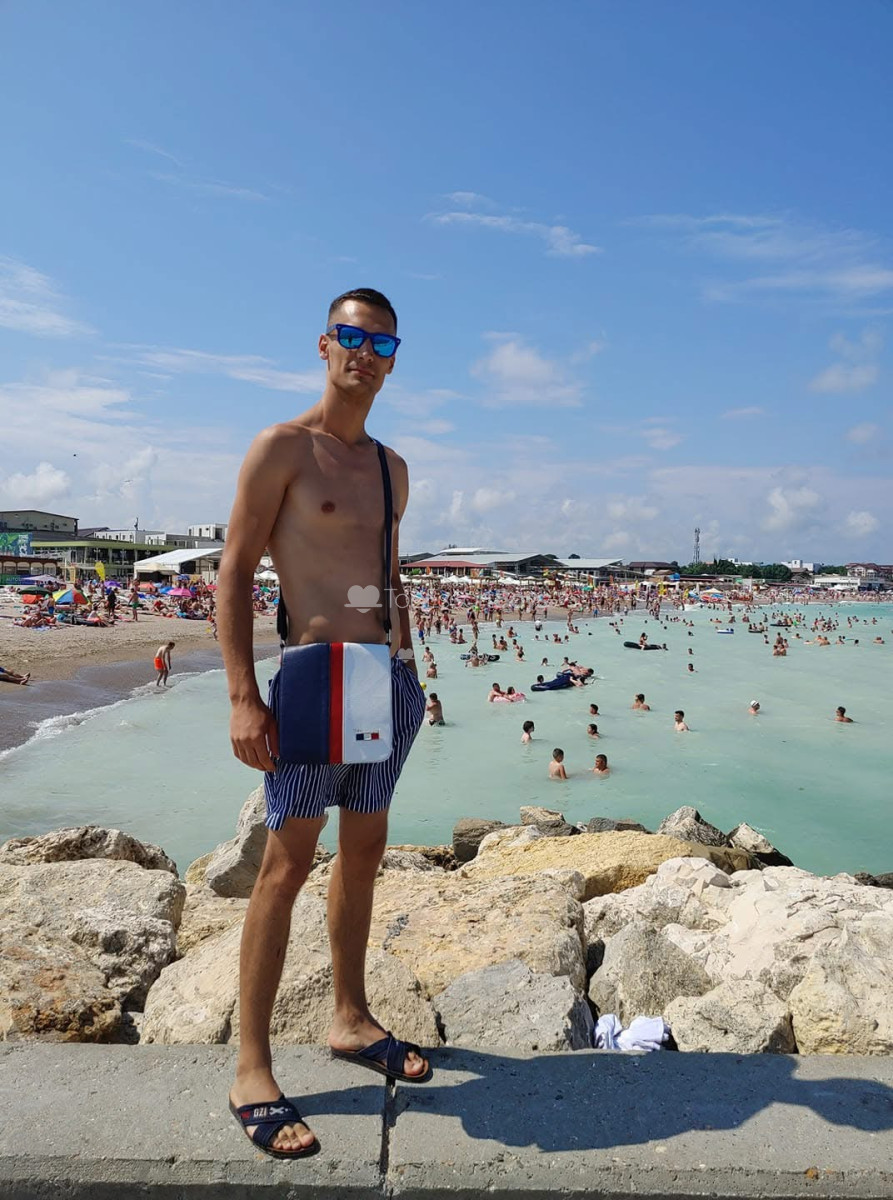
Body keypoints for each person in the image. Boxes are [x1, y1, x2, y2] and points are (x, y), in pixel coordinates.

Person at [217, 288, 428, 1159]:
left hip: (383, 678)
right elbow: (234, 573)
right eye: (351, 336)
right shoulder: (280, 448)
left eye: (382, 343)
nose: (364, 354)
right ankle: (251, 1067)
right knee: (285, 865)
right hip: (311, 679)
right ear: (323, 344)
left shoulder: (390, 468)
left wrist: (412, 668)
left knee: (365, 850)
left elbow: (388, 576)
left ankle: (349, 1017)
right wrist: (242, 695)